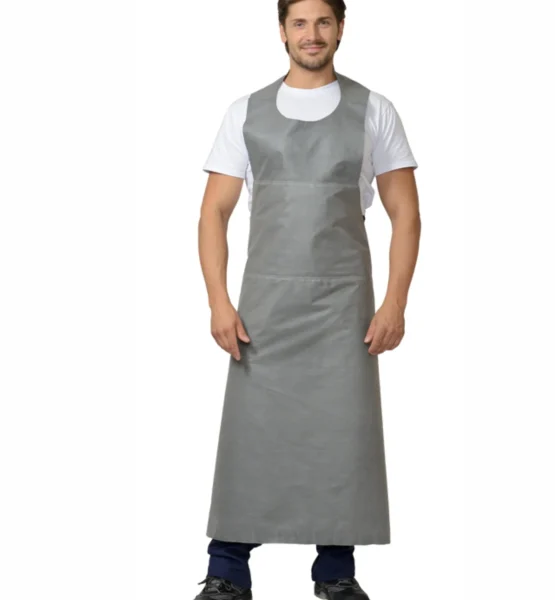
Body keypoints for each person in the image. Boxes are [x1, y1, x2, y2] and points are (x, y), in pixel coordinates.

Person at [196, 0, 421, 598]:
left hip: (343, 306)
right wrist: (218, 301)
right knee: (250, 432)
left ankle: (335, 573)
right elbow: (214, 212)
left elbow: (405, 214)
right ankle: (227, 571)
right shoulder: (245, 112)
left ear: (341, 28)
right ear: (282, 31)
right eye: (300, 22)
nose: (312, 34)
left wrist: (395, 303)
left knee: (340, 433)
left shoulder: (374, 109)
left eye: (323, 22)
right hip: (264, 306)